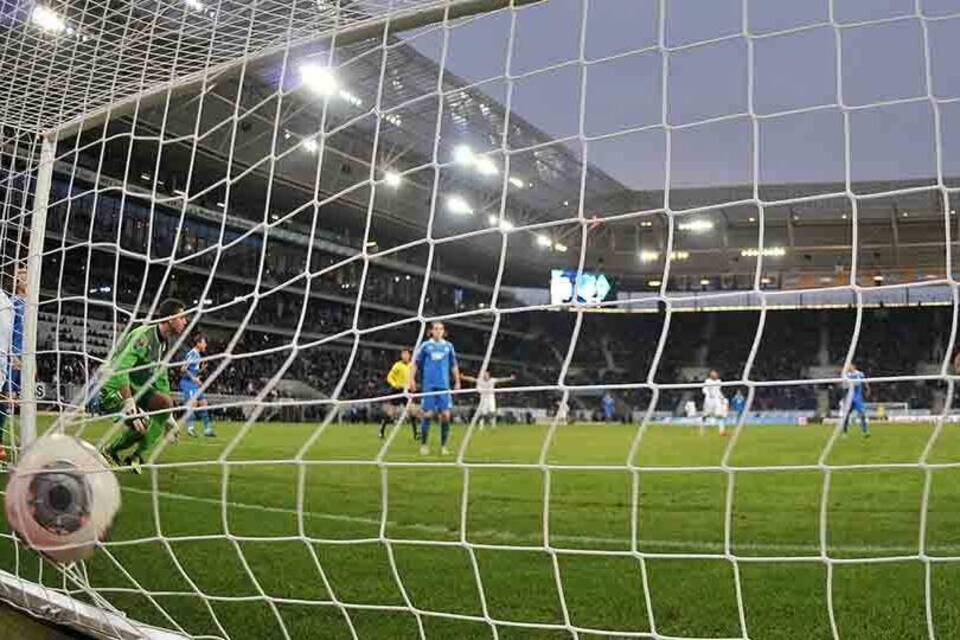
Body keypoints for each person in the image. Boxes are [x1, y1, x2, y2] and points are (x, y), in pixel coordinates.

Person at [100, 298, 188, 473]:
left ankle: (136, 456)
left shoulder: (163, 342)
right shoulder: (144, 337)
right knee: (142, 423)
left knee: (165, 404)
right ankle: (109, 451)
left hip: (136, 389)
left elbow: (161, 377)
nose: (185, 322)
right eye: (182, 317)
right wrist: (129, 402)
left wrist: (168, 416)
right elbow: (120, 369)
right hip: (114, 387)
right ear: (170, 319)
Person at [409, 322, 460, 456]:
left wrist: (457, 381)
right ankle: (424, 445)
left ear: (444, 331)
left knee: (446, 416)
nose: (438, 331)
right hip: (429, 386)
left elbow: (454, 365)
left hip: (444, 386)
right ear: (431, 331)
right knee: (428, 414)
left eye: (440, 329)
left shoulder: (449, 346)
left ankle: (443, 446)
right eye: (436, 329)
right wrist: (411, 379)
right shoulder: (425, 345)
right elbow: (415, 364)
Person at [0, 267, 25, 462]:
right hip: (10, 358)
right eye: (21, 275)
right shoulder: (13, 303)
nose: (25, 278)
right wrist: (14, 355)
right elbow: (10, 332)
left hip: (24, 359)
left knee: (10, 402)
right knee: (4, 400)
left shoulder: (29, 304)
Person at [181, 333, 215, 438]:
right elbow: (183, 368)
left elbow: (192, 370)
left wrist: (201, 370)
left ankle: (207, 429)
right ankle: (190, 429)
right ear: (198, 343)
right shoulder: (193, 353)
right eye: (204, 343)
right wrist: (194, 379)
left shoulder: (198, 355)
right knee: (193, 404)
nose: (206, 345)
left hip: (194, 384)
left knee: (204, 403)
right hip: (188, 383)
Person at [380, 349, 417, 440]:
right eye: (403, 354)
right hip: (397, 390)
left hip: (407, 391)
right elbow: (389, 377)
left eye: (406, 354)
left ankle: (416, 433)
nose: (404, 356)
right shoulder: (397, 365)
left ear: (409, 356)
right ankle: (382, 431)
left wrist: (413, 385)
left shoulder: (411, 366)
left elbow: (411, 377)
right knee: (391, 412)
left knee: (412, 411)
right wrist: (394, 384)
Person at [841, 363, 870, 437]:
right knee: (846, 415)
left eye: (850, 366)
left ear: (854, 366)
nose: (849, 367)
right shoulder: (847, 374)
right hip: (850, 397)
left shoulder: (860, 373)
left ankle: (865, 431)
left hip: (858, 398)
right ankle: (845, 432)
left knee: (862, 414)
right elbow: (844, 386)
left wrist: (867, 389)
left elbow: (865, 383)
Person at [702, 369, 727, 435]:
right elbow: (704, 389)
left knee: (719, 415)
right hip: (709, 400)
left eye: (715, 373)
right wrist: (708, 394)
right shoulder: (707, 381)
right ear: (710, 375)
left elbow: (718, 390)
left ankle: (722, 431)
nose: (715, 375)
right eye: (713, 374)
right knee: (706, 415)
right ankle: (704, 429)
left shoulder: (719, 381)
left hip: (717, 400)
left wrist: (722, 397)